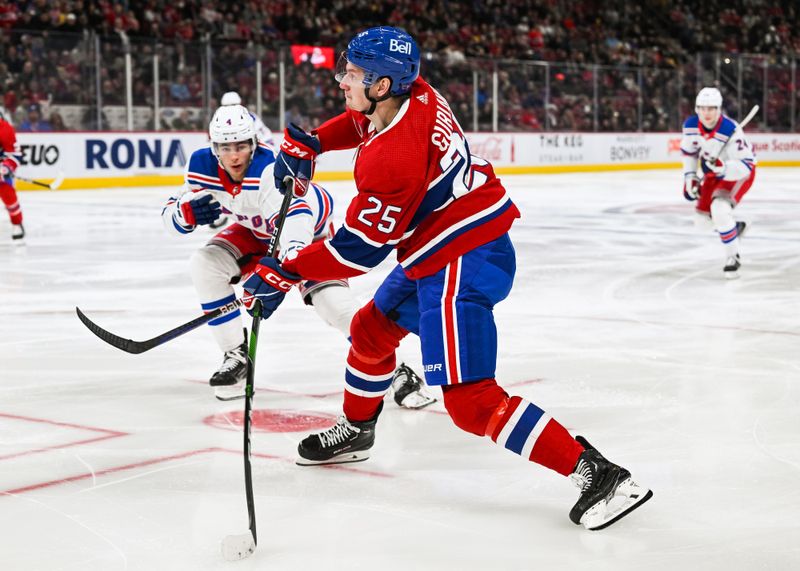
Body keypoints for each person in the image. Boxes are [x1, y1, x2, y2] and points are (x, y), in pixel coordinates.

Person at [241, 26, 652, 530]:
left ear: (380, 86)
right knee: (370, 333)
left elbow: (358, 251)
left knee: (471, 401)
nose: (340, 81)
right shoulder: (411, 93)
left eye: (350, 74)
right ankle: (358, 430)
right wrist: (316, 143)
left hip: (465, 255)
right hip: (440, 246)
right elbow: (360, 123)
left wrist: (284, 270)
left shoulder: (393, 158)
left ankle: (598, 475)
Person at [161, 103, 433, 407]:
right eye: (225, 147)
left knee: (335, 307)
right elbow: (170, 212)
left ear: (253, 144)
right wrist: (182, 215)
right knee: (204, 264)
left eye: (240, 146)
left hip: (307, 238)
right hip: (256, 234)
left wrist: (285, 266)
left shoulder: (268, 170)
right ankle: (236, 356)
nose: (234, 155)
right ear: (214, 148)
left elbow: (296, 218)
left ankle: (398, 372)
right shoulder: (200, 166)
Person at [680, 87, 756, 279]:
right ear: (697, 109)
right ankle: (734, 227)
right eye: (703, 108)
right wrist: (691, 177)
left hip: (737, 173)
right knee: (702, 223)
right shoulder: (690, 126)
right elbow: (690, 153)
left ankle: (733, 256)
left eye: (712, 108)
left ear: (719, 109)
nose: (707, 113)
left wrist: (722, 168)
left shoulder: (730, 130)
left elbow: (746, 165)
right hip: (715, 174)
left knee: (720, 209)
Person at [0, 107, 24, 240]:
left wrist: (6, 167)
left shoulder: (5, 129)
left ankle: (17, 223)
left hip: (1, 168)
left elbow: (15, 154)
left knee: (8, 194)